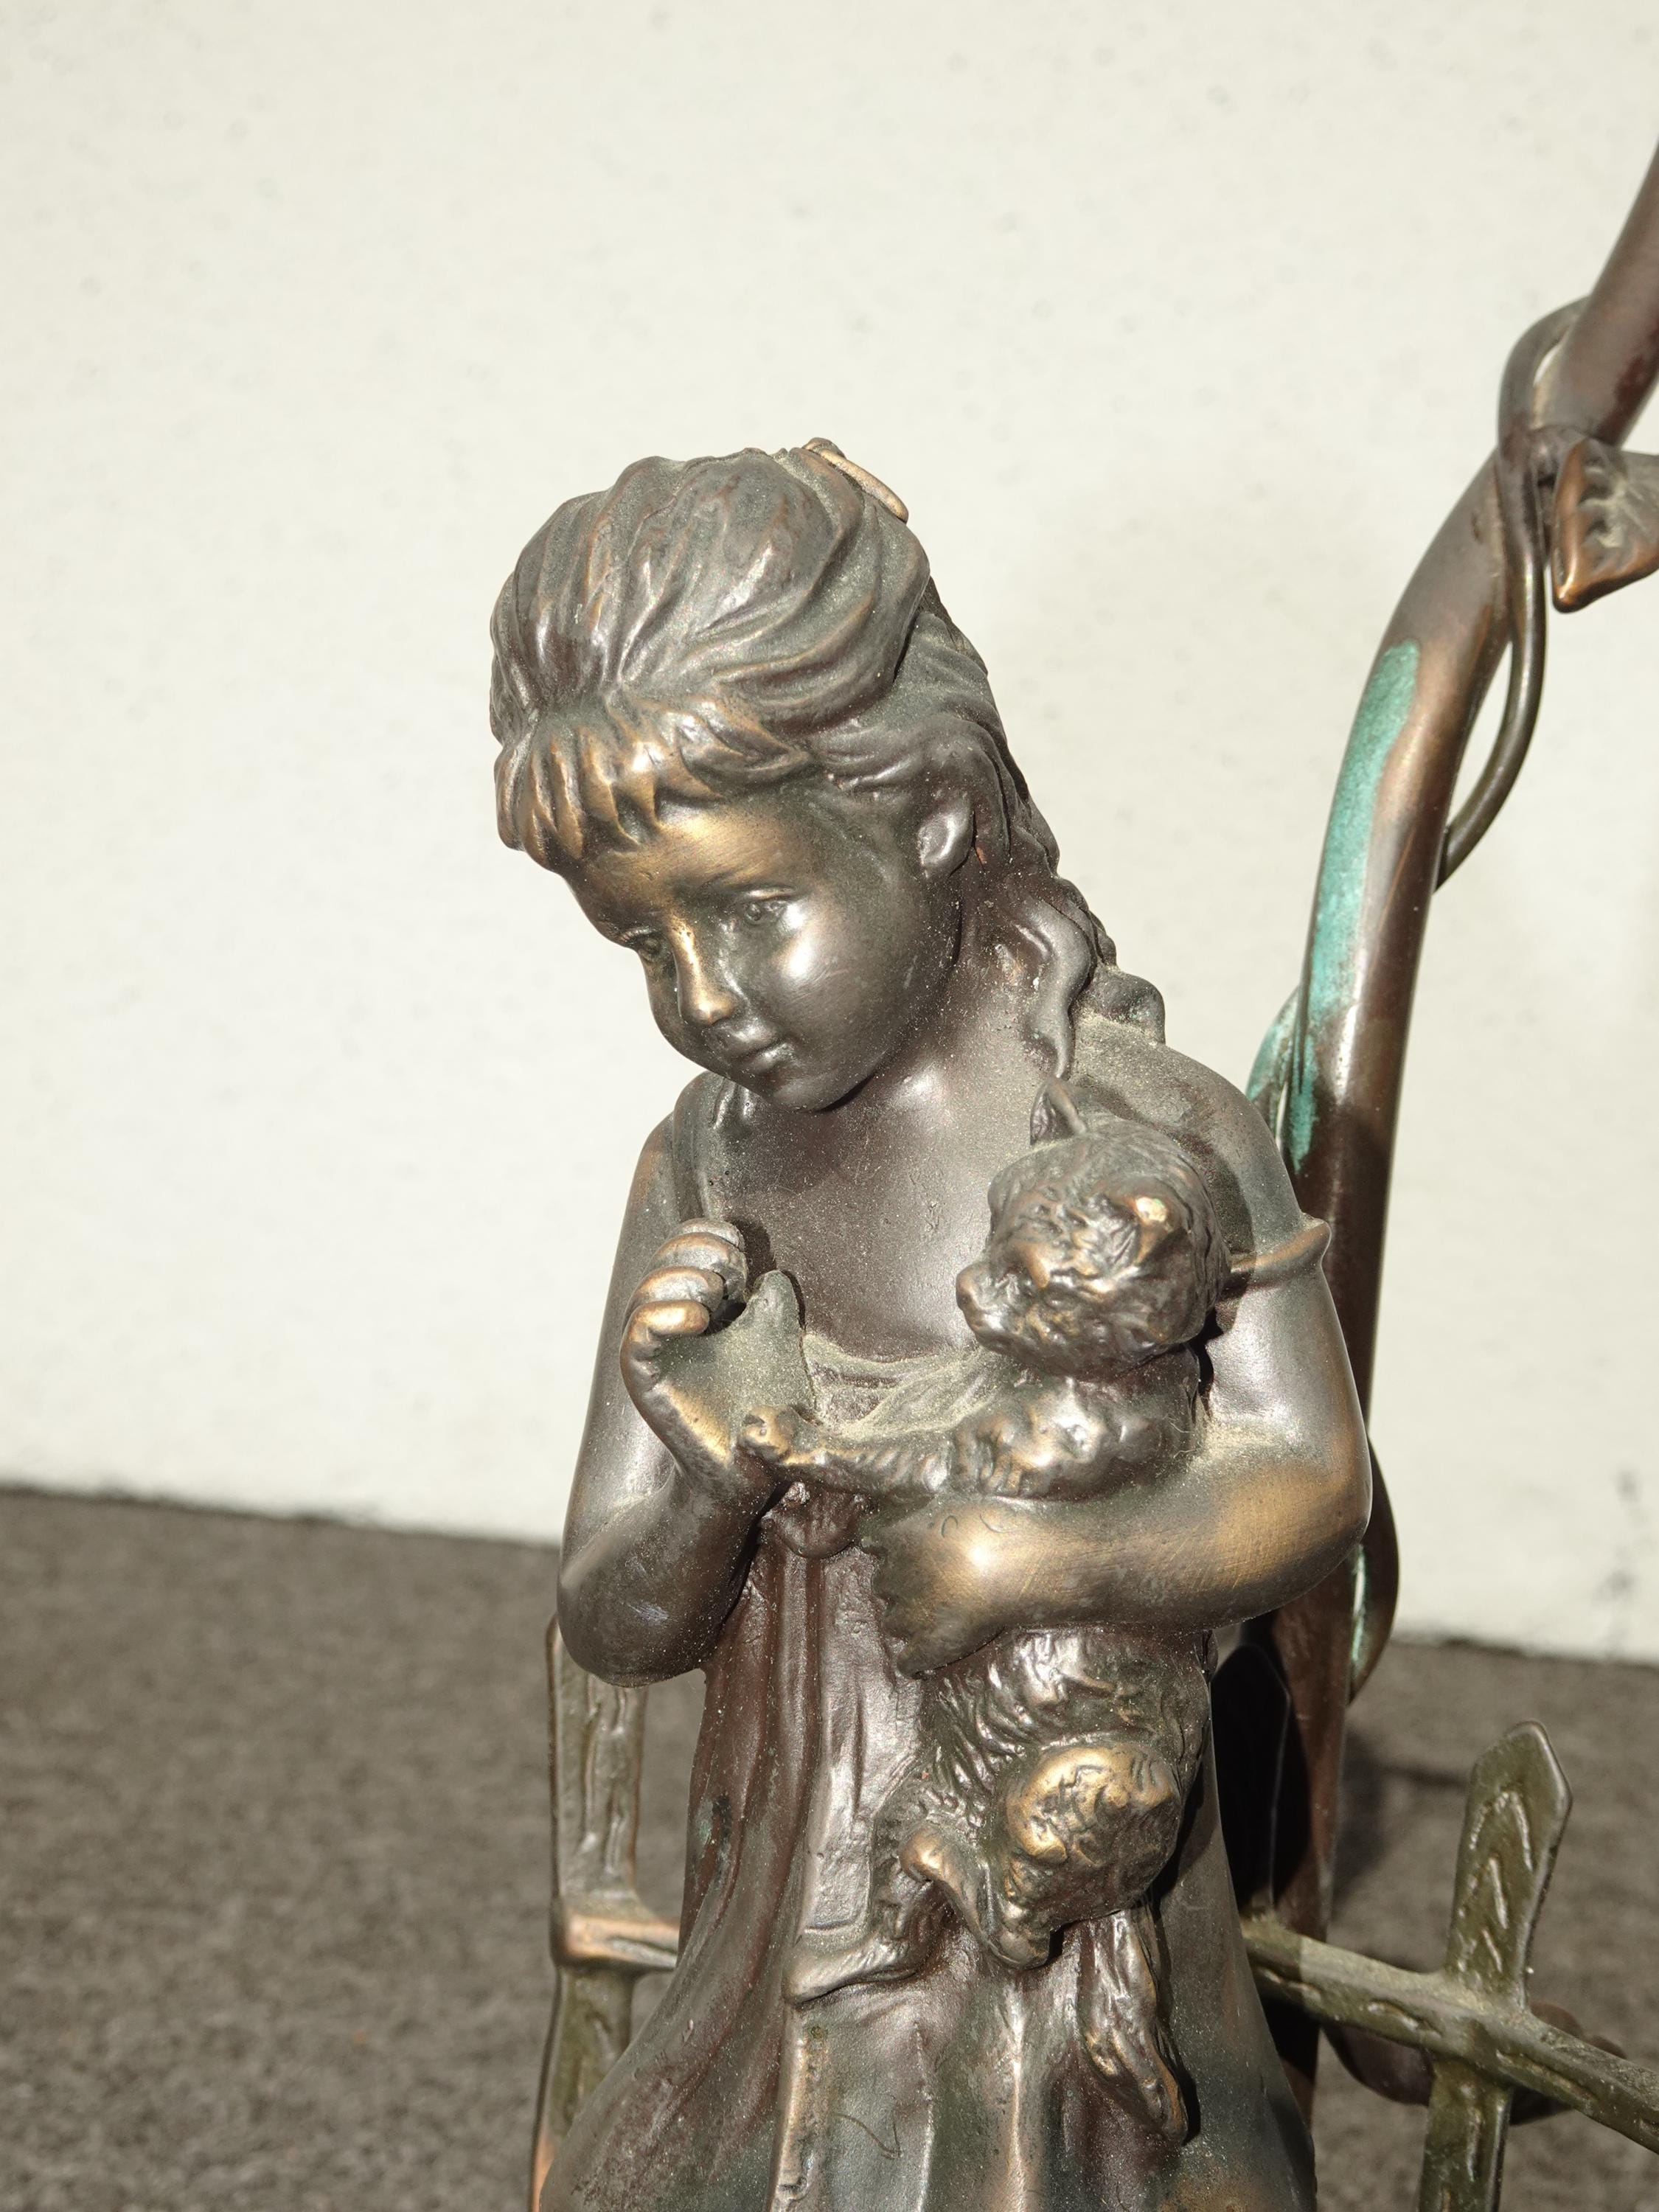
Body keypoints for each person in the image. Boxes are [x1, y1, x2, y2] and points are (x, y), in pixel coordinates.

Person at [489, 438, 1371, 2212]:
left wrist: (1040, 1566)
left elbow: (1312, 1478)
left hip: (1072, 1880)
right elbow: (613, 1615)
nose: (704, 997)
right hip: (787, 1908)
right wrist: (713, 1470)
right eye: (643, 946)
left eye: (752, 911)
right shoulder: (703, 1171)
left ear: (935, 821)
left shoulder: (1144, 1133)